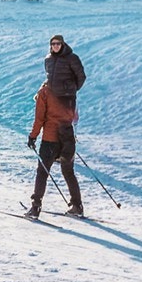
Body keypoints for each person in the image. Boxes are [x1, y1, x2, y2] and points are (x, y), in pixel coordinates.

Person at [28, 81, 83, 217]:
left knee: (42, 173)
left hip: (50, 140)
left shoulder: (45, 92)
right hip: (67, 139)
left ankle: (35, 208)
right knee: (69, 172)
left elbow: (39, 119)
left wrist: (33, 136)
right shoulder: (69, 91)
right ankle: (77, 206)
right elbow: (75, 117)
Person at [44, 34, 86, 103]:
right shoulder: (48, 59)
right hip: (53, 96)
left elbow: (81, 76)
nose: (55, 46)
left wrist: (72, 89)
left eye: (58, 43)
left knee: (67, 114)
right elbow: (49, 75)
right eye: (53, 44)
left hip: (67, 96)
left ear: (62, 44)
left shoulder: (72, 58)